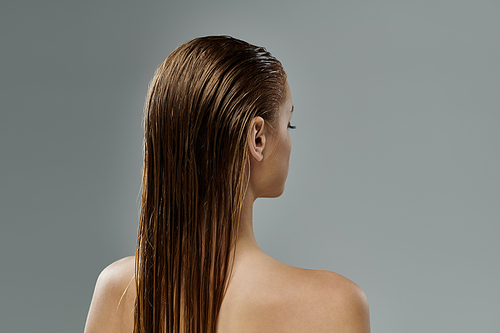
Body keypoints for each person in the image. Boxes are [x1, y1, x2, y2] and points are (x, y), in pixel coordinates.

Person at [84, 35, 370, 333]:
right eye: (289, 124)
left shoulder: (118, 290)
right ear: (257, 138)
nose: (289, 139)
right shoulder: (333, 303)